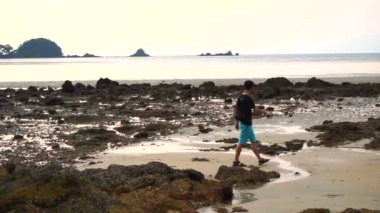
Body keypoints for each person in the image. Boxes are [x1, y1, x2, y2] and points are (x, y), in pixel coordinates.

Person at [233, 80, 269, 166]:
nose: (254, 89)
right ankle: (235, 161)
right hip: (245, 124)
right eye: (253, 87)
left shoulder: (240, 97)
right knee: (241, 143)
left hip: (244, 123)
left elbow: (237, 110)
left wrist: (236, 122)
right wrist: (264, 112)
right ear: (251, 87)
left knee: (253, 142)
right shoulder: (249, 99)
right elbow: (255, 111)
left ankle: (260, 159)